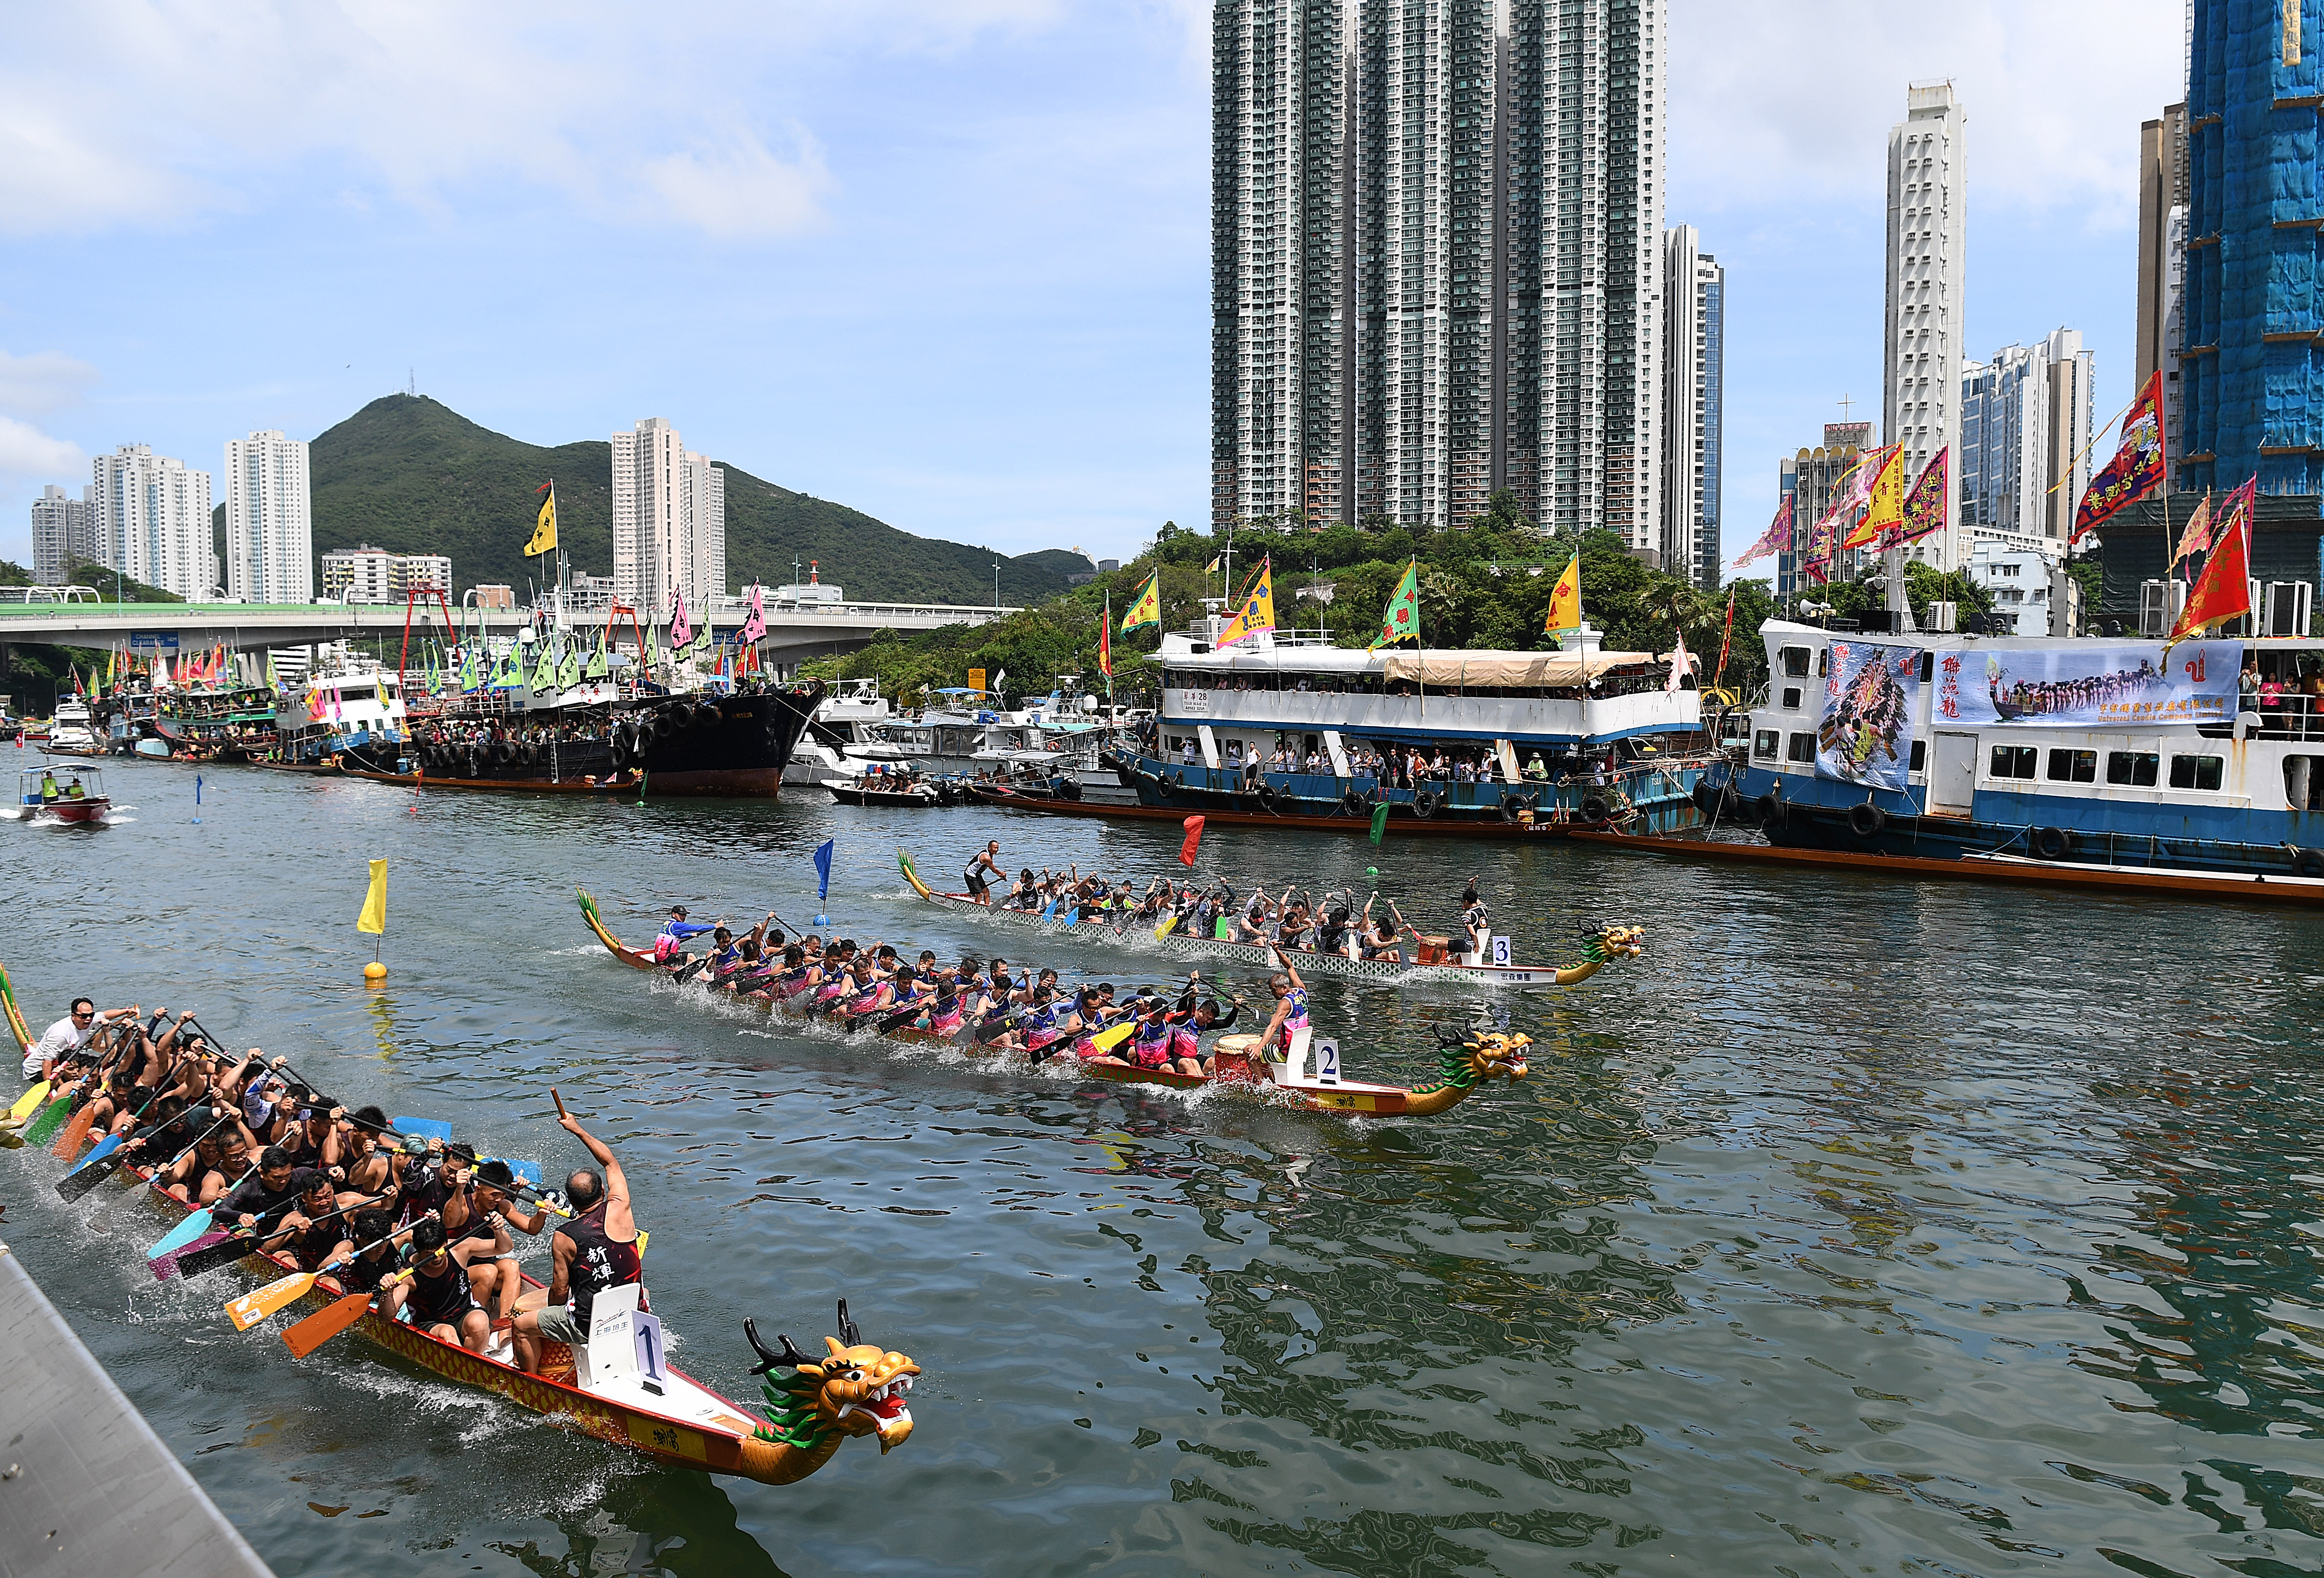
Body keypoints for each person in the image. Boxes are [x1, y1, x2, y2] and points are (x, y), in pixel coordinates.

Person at [512, 1103, 643, 1375]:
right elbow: (610, 1162)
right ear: (604, 1190)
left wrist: (552, 1315)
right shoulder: (621, 1207)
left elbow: (560, 1293)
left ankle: (532, 1382)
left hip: (591, 1324)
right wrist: (577, 1129)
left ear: (570, 1202)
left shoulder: (564, 1236)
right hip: (634, 1311)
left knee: (521, 1326)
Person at [401, 1216, 498, 1354]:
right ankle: (464, 1365)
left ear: (446, 1243)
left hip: (462, 1313)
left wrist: (498, 1230)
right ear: (418, 1251)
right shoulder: (407, 1275)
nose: (438, 1258)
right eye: (430, 1255)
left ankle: (473, 1362)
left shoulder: (459, 1249)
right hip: (431, 1322)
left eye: (440, 1251)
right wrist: (389, 1290)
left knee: (480, 1323)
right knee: (447, 1332)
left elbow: (504, 1247)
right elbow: (385, 1317)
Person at [24, 997, 132, 1082]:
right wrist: (49, 1084)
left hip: (65, 1062)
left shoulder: (87, 1019)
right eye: (84, 1016)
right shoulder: (60, 1035)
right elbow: (47, 1062)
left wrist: (128, 1011)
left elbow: (105, 1015)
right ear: (73, 1016)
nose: (89, 1019)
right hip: (37, 1070)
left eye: (91, 1015)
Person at [962, 841, 1004, 905]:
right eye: (995, 848)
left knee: (986, 892)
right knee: (980, 893)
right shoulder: (986, 858)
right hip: (970, 874)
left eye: (997, 848)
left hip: (977, 874)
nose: (996, 850)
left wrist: (1000, 875)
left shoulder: (989, 854)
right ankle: (976, 908)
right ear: (989, 848)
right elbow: (994, 870)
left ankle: (987, 908)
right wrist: (1001, 874)